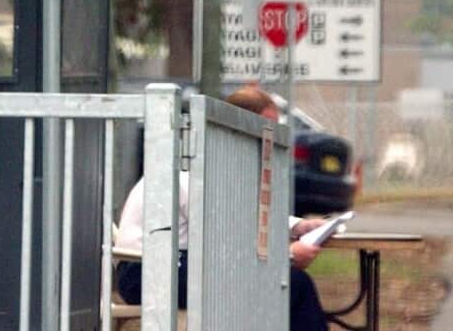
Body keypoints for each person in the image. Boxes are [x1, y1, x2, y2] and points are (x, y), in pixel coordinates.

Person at [114, 85, 329, 330]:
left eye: (276, 128)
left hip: (183, 264)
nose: (273, 137)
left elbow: (239, 216)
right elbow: (229, 241)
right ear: (236, 126)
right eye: (266, 127)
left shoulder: (220, 162)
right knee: (292, 283)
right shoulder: (198, 166)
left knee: (288, 284)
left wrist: (298, 226)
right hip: (147, 272)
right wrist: (289, 256)